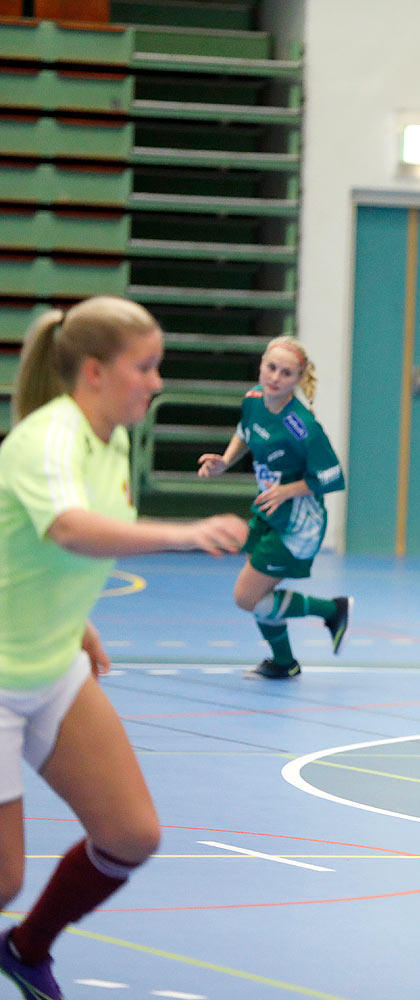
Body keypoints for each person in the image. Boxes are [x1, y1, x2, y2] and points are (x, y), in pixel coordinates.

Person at [0, 297, 249, 1000]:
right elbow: (70, 530)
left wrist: (74, 617)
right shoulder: (48, 438)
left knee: (131, 833)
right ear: (95, 371)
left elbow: (32, 545)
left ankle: (25, 948)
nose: (157, 381)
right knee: (3, 876)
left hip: (50, 667)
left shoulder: (108, 439)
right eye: (145, 367)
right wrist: (182, 534)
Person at [197, 336, 350, 679]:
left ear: (298, 379)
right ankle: (283, 662)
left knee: (247, 597)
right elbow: (245, 432)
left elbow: (332, 476)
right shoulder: (253, 399)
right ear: (262, 364)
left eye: (286, 373)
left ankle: (331, 609)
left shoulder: (303, 427)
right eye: (271, 368)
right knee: (260, 596)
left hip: (298, 524)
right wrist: (225, 460)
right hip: (269, 512)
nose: (275, 378)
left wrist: (288, 490)